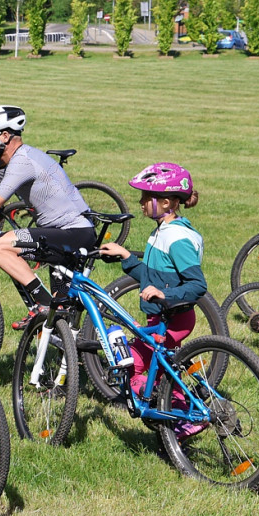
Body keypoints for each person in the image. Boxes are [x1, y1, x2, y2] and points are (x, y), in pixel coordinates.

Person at [0, 105, 95, 330]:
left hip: (71, 232)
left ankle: (43, 302)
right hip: (70, 231)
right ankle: (72, 356)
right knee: (63, 319)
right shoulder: (22, 156)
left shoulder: (22, 161)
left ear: (5, 136)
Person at [98, 163, 206, 414]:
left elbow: (197, 285)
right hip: (161, 316)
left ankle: (177, 411)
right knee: (151, 366)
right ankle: (164, 402)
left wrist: (164, 294)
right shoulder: (162, 231)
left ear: (167, 203)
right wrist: (126, 256)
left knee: (133, 365)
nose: (141, 202)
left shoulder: (177, 238)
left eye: (147, 197)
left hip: (173, 318)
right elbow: (152, 278)